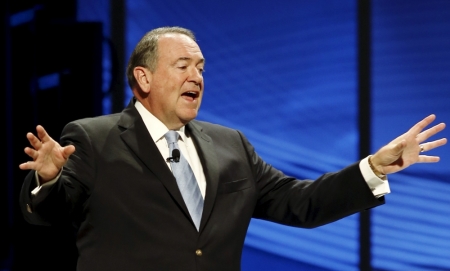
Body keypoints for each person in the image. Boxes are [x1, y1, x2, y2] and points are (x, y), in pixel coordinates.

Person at [19, 26, 447, 271]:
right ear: (143, 79)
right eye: (183, 65)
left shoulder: (230, 145)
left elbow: (301, 204)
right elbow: (51, 214)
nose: (197, 76)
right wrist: (49, 179)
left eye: (201, 67)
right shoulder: (95, 138)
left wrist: (374, 167)